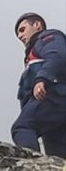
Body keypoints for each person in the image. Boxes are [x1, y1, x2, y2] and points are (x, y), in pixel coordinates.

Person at [11, 12, 66, 158]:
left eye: (22, 30)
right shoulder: (32, 55)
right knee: (57, 152)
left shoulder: (46, 38)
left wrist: (41, 79)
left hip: (54, 95)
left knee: (23, 127)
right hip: (55, 104)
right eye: (18, 35)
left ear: (37, 25)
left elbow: (57, 56)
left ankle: (32, 168)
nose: (20, 36)